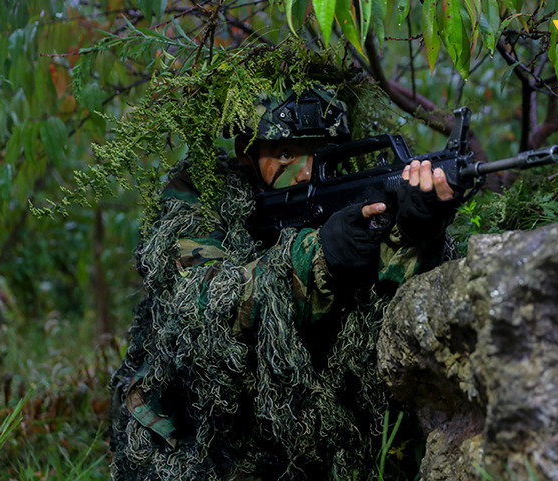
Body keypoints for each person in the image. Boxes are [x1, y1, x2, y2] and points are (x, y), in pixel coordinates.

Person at [109, 83, 465, 481]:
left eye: (319, 152)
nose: (307, 170)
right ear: (246, 151)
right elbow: (201, 313)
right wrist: (320, 256)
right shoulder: (199, 194)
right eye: (284, 153)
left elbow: (392, 309)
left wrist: (414, 233)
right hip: (205, 430)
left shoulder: (353, 191)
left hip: (313, 426)